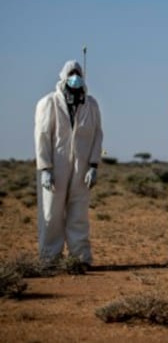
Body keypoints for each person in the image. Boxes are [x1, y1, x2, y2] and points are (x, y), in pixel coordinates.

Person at [34, 60, 103, 268]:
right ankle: (49, 258)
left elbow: (97, 136)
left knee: (79, 214)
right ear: (64, 76)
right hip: (56, 166)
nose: (75, 77)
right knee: (51, 213)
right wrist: (45, 167)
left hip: (81, 169)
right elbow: (42, 137)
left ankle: (80, 257)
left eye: (78, 72)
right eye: (71, 73)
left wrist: (93, 165)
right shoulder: (49, 103)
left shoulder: (90, 105)